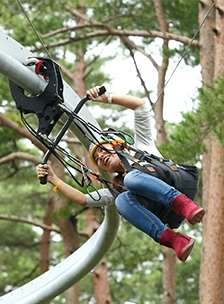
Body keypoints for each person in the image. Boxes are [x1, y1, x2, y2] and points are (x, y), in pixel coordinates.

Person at [37, 86, 205, 262]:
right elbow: (82, 199)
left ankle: (184, 204)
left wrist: (106, 98)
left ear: (117, 145)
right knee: (121, 200)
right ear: (107, 170)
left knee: (132, 178)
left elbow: (140, 106)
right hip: (165, 211)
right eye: (98, 160)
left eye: (103, 150)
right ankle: (174, 239)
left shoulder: (142, 147)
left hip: (176, 183)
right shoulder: (118, 185)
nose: (101, 156)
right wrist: (53, 179)